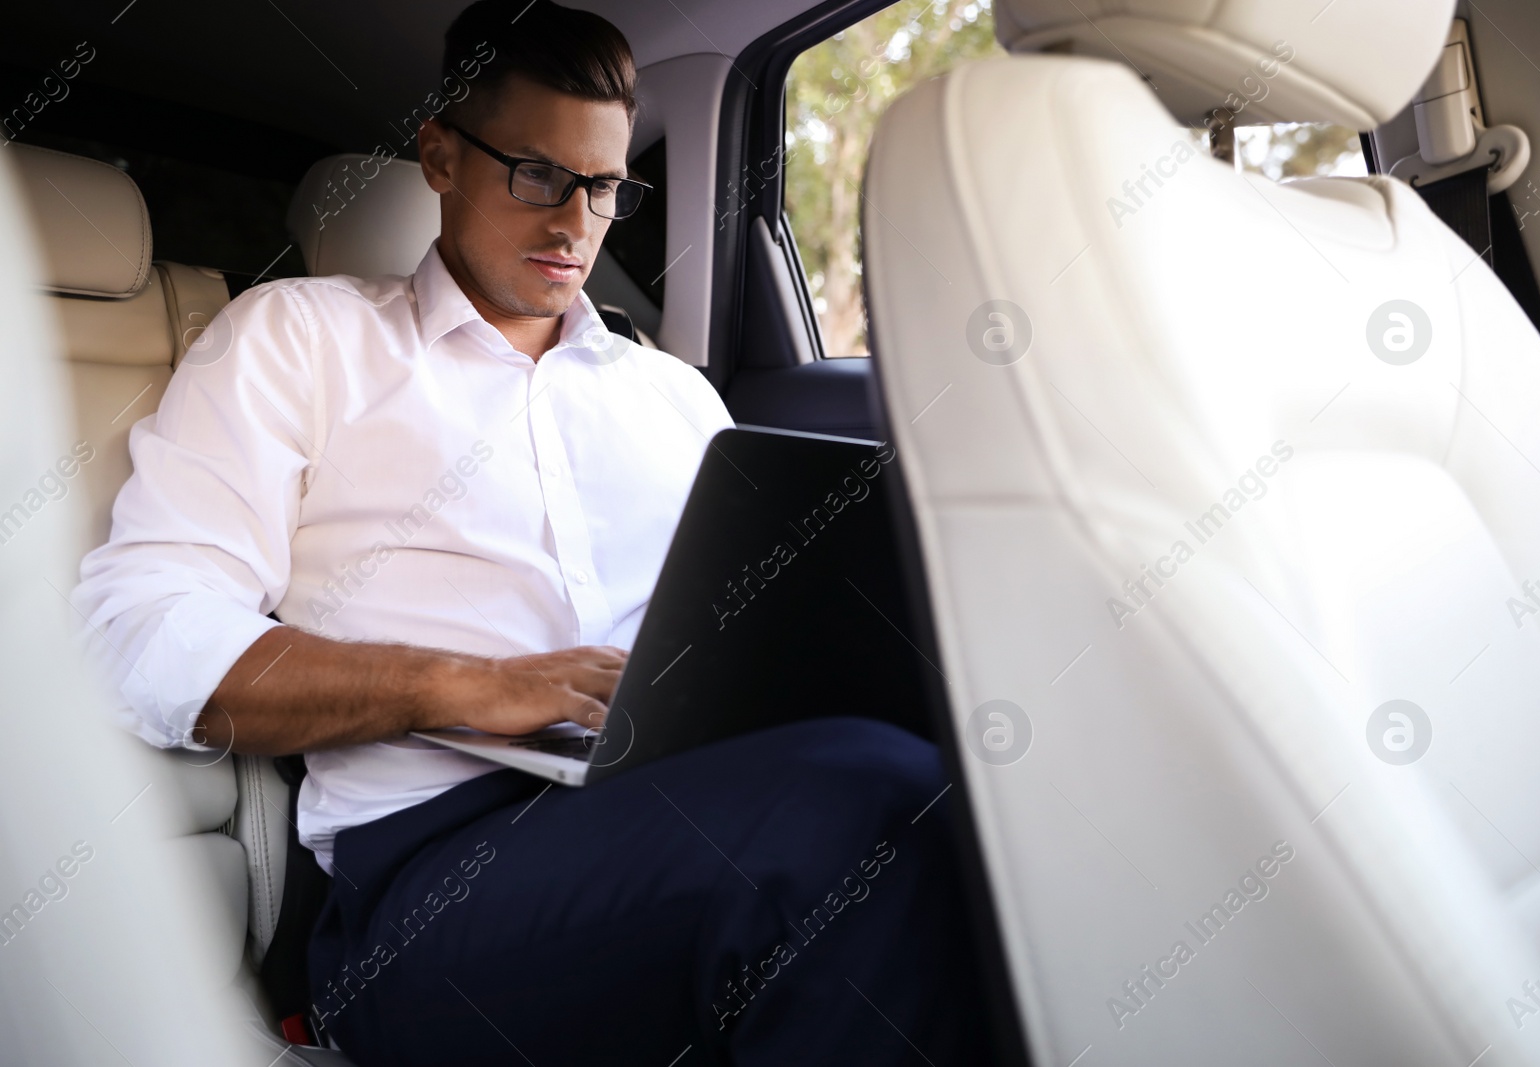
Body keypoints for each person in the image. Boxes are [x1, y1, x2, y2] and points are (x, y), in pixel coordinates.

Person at [72, 2, 989, 1062]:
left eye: (604, 188)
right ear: (439, 156)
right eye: (539, 176)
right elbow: (136, 628)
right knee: (861, 807)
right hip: (426, 880)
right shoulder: (300, 338)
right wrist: (457, 684)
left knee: (961, 786)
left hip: (677, 800)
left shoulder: (677, 397)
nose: (576, 226)